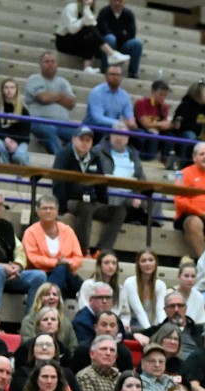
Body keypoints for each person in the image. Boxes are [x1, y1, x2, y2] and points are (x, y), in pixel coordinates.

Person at [53, 125, 126, 254]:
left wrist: (104, 205)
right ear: (73, 139)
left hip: (91, 202)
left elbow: (101, 184)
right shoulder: (64, 155)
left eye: (88, 140)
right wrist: (62, 209)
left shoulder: (94, 157)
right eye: (82, 139)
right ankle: (82, 250)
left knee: (119, 211)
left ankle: (101, 250)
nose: (85, 143)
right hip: (71, 202)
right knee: (85, 207)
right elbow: (58, 183)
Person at [21, 195, 83, 297]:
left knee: (87, 286)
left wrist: (68, 262)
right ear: (37, 211)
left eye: (51, 208)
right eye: (44, 208)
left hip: (67, 273)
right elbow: (33, 259)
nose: (48, 211)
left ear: (57, 211)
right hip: (43, 274)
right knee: (61, 270)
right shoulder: (30, 232)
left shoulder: (68, 231)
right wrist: (57, 263)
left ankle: (48, 299)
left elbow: (78, 257)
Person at [55, 0, 130, 74]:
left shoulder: (88, 10)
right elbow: (72, 29)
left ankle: (87, 67)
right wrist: (84, 19)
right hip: (64, 41)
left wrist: (86, 10)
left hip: (77, 44)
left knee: (91, 35)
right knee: (89, 28)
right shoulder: (71, 8)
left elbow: (93, 26)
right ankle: (111, 53)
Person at [23, 51, 75, 155]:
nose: (50, 64)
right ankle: (61, 161)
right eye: (46, 62)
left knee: (81, 133)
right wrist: (61, 96)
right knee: (49, 131)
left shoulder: (63, 82)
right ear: (40, 64)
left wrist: (55, 97)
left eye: (53, 61)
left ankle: (72, 160)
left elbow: (71, 103)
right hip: (40, 122)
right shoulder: (34, 79)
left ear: (57, 64)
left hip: (63, 124)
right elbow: (44, 98)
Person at [95, 0, 141, 77]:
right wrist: (122, 33)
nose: (117, 3)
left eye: (120, 1)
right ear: (109, 1)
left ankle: (133, 73)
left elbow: (132, 34)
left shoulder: (129, 14)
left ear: (124, 2)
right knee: (110, 38)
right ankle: (106, 70)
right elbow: (104, 30)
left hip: (123, 45)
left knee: (137, 43)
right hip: (105, 46)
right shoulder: (104, 12)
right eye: (114, 1)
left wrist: (115, 33)